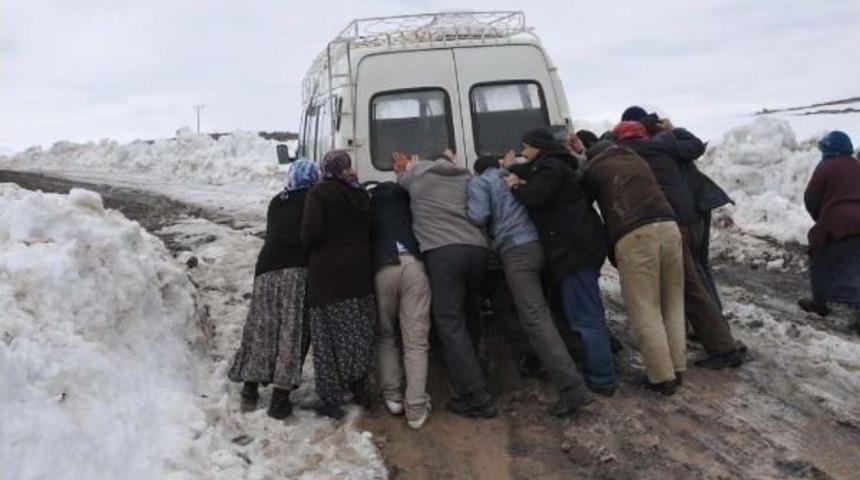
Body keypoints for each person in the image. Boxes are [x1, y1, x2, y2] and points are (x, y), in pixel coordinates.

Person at [466, 155, 596, 412]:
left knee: (534, 317)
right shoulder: (514, 175)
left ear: (478, 170)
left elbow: (479, 216)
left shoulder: (482, 182)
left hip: (516, 250)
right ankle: (578, 357)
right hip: (540, 245)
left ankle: (572, 388)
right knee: (543, 306)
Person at [613, 119, 746, 369]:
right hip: (693, 218)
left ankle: (721, 345)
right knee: (697, 276)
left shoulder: (626, 154)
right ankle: (716, 333)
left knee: (688, 285)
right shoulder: (664, 144)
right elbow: (695, 145)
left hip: (671, 223)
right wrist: (672, 129)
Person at [504, 128, 617, 393]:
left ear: (539, 148)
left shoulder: (551, 169)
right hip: (578, 246)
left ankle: (602, 380)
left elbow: (536, 195)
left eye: (526, 147)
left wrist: (515, 187)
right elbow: (536, 177)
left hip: (573, 248)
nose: (523, 152)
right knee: (585, 310)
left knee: (585, 317)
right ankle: (604, 362)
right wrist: (517, 170)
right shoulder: (553, 166)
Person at [395, 149, 496, 418]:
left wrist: (407, 167)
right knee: (470, 311)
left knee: (448, 320)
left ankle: (476, 395)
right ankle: (480, 368)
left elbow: (400, 179)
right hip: (478, 250)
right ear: (450, 161)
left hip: (443, 252)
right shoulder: (466, 176)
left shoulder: (417, 176)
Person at [581, 142, 686, 395]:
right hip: (670, 227)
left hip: (635, 233)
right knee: (672, 301)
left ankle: (662, 378)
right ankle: (677, 366)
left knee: (644, 306)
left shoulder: (595, 168)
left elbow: (580, 200)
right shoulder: (636, 159)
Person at [228, 159, 320, 418]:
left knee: (263, 328)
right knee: (292, 330)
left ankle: (250, 388)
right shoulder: (313, 200)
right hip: (297, 272)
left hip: (266, 270)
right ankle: (280, 398)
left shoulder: (276, 202)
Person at [301, 150, 377, 419]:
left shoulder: (319, 194)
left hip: (328, 276)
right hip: (360, 274)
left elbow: (310, 234)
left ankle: (331, 398)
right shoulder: (360, 194)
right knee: (358, 333)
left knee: (326, 337)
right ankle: (360, 388)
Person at [365, 178, 433, 429]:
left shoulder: (370, 211)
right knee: (416, 342)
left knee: (385, 335)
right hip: (413, 266)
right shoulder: (408, 209)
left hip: (383, 269)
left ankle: (392, 395)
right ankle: (415, 408)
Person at [799, 131, 860, 334]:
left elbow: (811, 199)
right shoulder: (858, 165)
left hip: (839, 221)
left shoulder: (825, 167)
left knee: (819, 258)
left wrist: (823, 219)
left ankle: (820, 303)